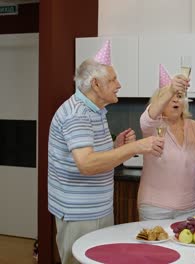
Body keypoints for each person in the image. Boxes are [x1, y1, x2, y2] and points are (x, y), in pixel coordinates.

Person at [48, 59, 164, 264]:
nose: (118, 85)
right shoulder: (77, 114)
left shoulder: (95, 111)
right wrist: (135, 147)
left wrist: (116, 147)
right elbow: (86, 164)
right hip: (80, 214)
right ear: (95, 84)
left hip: (98, 210)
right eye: (112, 80)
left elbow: (92, 157)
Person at [138, 74, 195, 221]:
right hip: (155, 208)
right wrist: (171, 89)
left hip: (190, 207)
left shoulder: (194, 126)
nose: (175, 99)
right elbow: (148, 117)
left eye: (179, 96)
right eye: (169, 97)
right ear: (159, 103)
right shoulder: (153, 126)